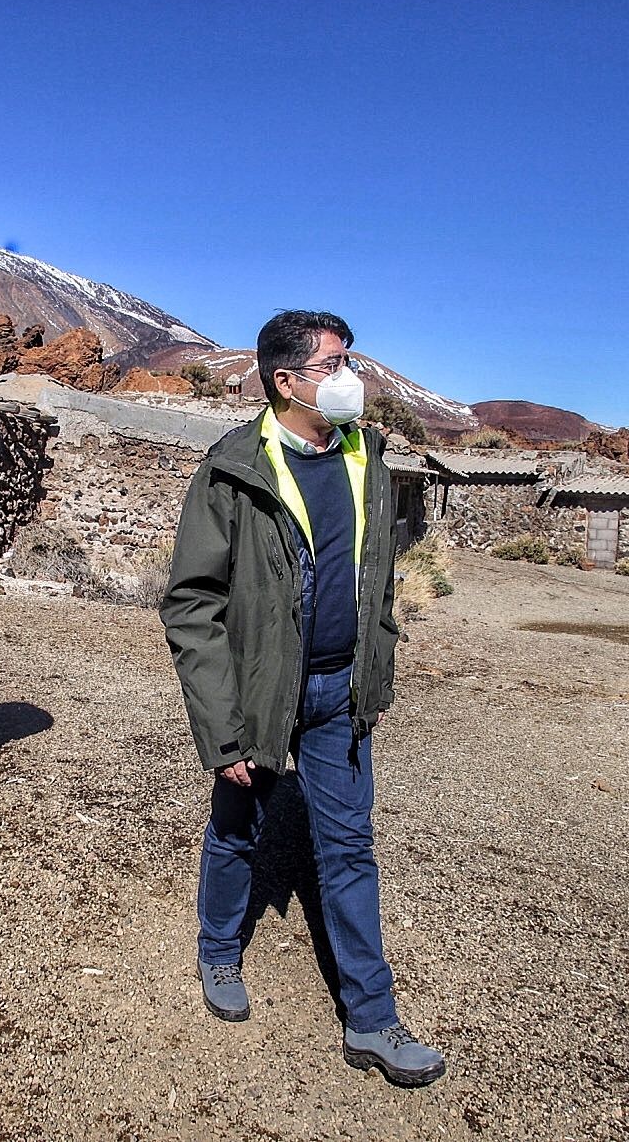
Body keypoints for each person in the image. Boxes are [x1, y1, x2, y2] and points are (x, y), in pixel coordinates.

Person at [160, 310, 446, 1086]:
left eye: (349, 359)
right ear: (285, 382)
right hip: (260, 691)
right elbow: (191, 604)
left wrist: (374, 670)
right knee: (239, 829)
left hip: (339, 693)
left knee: (349, 850)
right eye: (332, 364)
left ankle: (373, 1018)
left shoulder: (367, 455)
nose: (350, 376)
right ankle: (219, 950)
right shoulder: (233, 468)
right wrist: (223, 731)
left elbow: (378, 578)